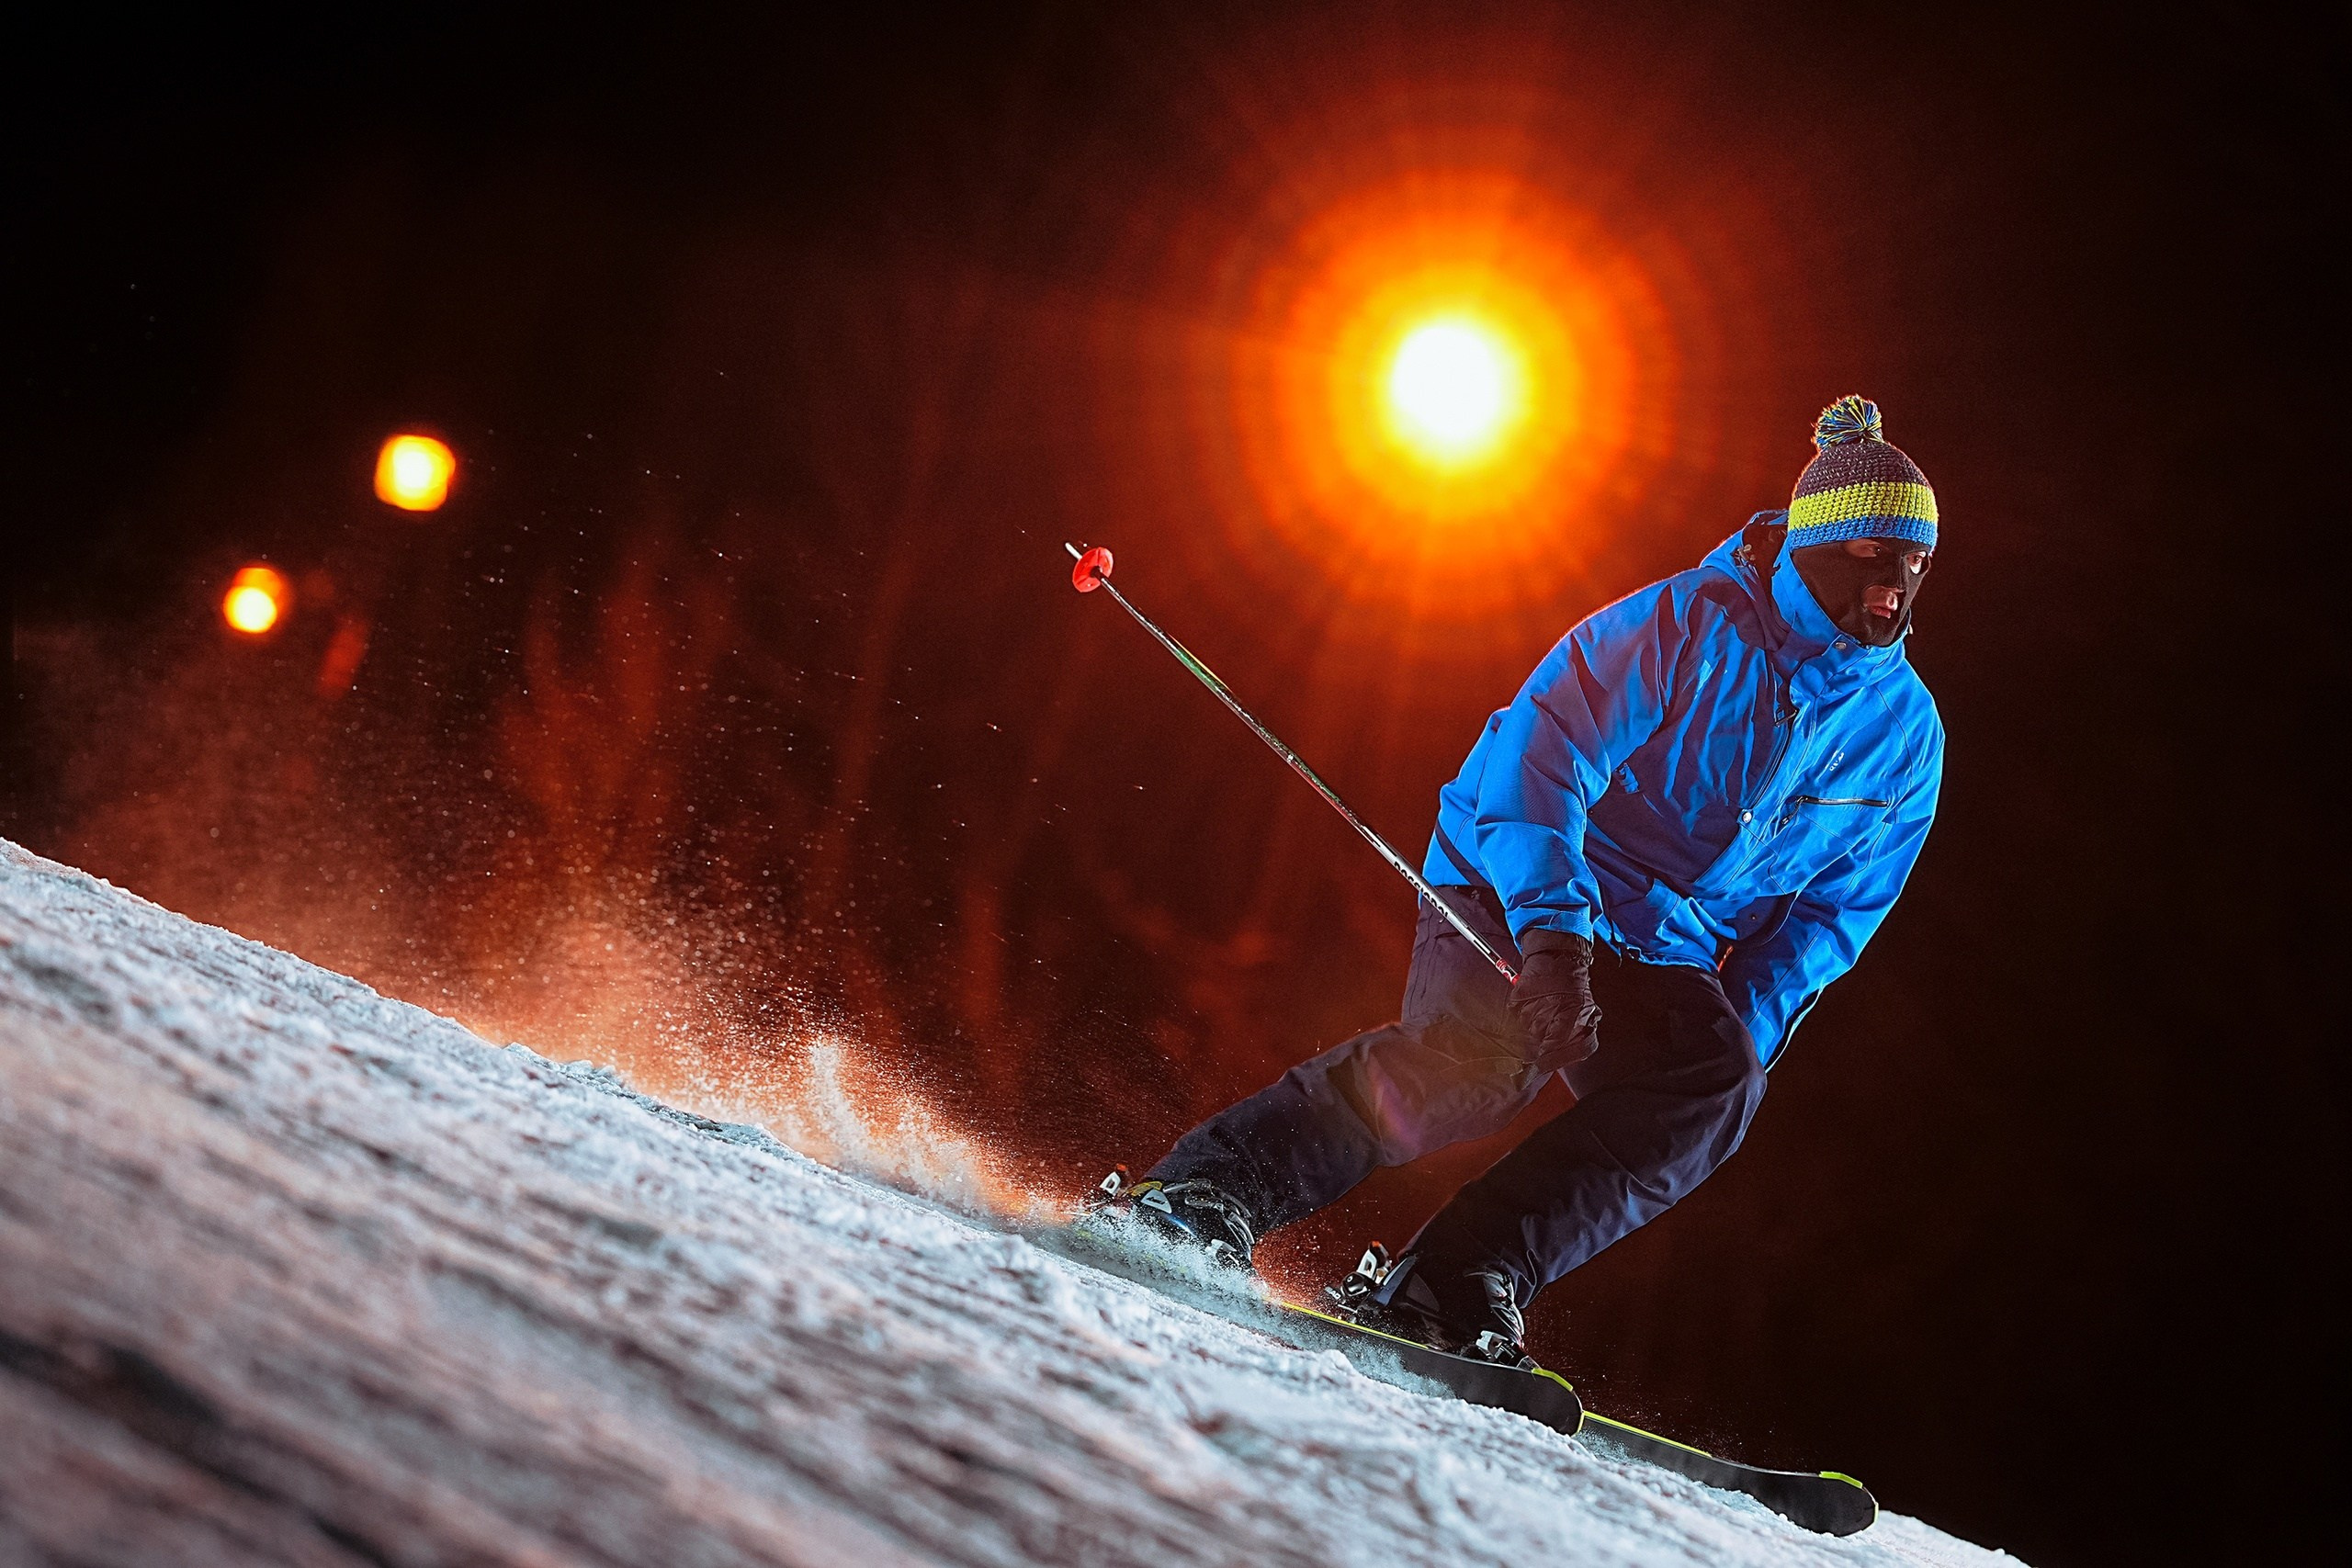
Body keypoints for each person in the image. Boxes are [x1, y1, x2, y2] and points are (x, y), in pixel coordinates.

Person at [1091, 395, 1946, 1367]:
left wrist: (1711, 1055)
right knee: (1479, 1062)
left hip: (1660, 940)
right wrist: (1550, 941)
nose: (1894, 591)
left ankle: (1450, 1283)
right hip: (1520, 874)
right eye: (1874, 561)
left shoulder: (1904, 737)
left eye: (1916, 567)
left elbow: (1833, 915)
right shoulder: (1680, 626)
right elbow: (1540, 770)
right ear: (1813, 548)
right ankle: (1210, 1189)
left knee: (1711, 1093)